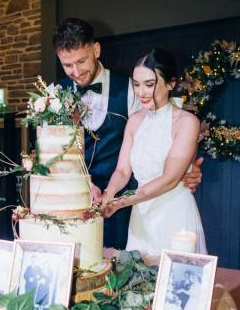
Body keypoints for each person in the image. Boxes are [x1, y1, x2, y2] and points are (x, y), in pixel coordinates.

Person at [52, 18, 203, 249]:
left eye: (81, 61)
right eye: (67, 65)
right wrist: (86, 186)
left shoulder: (128, 91)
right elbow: (51, 154)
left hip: (127, 209)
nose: (76, 71)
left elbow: (162, 141)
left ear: (96, 49)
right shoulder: (53, 95)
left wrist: (189, 169)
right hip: (74, 202)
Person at [100, 48, 207, 262]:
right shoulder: (135, 121)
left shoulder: (186, 122)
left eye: (149, 84)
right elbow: (122, 170)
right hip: (141, 216)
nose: (141, 92)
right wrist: (108, 194)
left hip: (174, 215)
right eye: (136, 84)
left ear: (171, 84)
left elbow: (169, 179)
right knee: (138, 287)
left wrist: (121, 203)